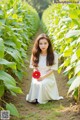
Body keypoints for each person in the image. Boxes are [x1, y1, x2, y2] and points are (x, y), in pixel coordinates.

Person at [26, 33, 63, 104]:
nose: (43, 46)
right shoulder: (35, 54)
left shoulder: (54, 55)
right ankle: (35, 98)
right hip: (38, 75)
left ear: (48, 44)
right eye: (41, 43)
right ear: (38, 44)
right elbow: (34, 67)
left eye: (45, 43)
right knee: (35, 83)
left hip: (48, 76)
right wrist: (37, 76)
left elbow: (52, 69)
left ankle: (42, 99)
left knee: (43, 84)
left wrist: (43, 77)